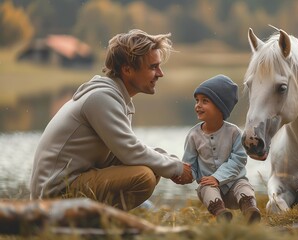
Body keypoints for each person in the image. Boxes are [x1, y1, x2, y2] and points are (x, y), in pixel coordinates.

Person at [29, 29, 192, 210]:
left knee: (153, 168)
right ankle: (91, 224)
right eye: (153, 67)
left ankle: (101, 222)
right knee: (143, 177)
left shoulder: (115, 97)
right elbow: (131, 152)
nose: (160, 73)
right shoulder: (102, 98)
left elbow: (125, 152)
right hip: (55, 194)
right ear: (127, 70)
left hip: (72, 182)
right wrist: (175, 168)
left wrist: (172, 161)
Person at [177, 74, 261, 224]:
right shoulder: (193, 135)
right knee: (206, 187)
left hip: (233, 184)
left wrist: (218, 178)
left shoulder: (234, 133)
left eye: (205, 101)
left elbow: (239, 159)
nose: (198, 105)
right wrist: (185, 174)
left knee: (243, 185)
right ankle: (221, 214)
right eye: (197, 100)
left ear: (221, 107)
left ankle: (250, 210)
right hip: (211, 188)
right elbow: (190, 164)